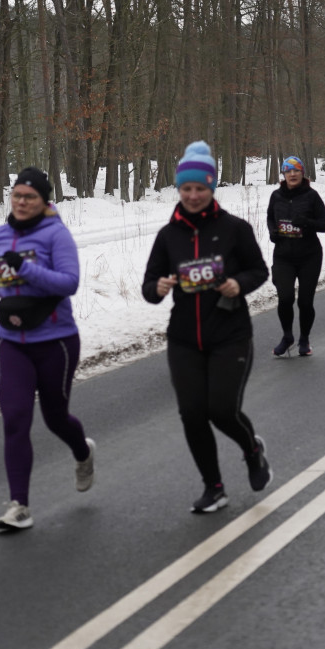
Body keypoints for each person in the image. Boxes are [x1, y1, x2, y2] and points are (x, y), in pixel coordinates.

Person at [142, 140, 271, 514]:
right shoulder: (168, 236)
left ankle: (252, 450)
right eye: (186, 188)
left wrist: (238, 284)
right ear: (178, 189)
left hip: (230, 335)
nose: (193, 195)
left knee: (222, 410)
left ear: (211, 187)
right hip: (184, 339)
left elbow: (259, 270)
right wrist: (158, 287)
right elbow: (149, 287)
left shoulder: (234, 229)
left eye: (200, 188)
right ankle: (213, 487)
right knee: (192, 413)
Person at [0, 167, 94, 531]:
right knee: (15, 419)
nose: (22, 202)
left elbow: (69, 282)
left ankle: (83, 452)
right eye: (17, 196)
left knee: (56, 418)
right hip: (12, 342)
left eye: (30, 197)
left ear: (43, 201)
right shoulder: (0, 235)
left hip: (56, 340)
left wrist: (25, 269)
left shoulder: (56, 235)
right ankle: (19, 505)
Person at [266, 155, 325, 357]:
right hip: (283, 255)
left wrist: (306, 222)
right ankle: (287, 337)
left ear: (302, 173)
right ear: (283, 174)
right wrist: (273, 232)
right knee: (285, 298)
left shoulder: (312, 196)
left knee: (305, 301)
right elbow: (270, 218)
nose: (292, 174)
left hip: (309, 256)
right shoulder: (276, 196)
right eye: (288, 171)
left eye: (296, 171)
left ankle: (304, 339)